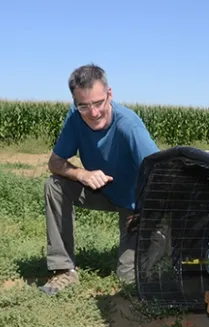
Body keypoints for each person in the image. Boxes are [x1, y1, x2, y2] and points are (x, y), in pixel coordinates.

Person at [39, 64, 160, 295]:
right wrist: (82, 174)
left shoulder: (129, 126)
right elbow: (54, 162)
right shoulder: (76, 118)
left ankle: (158, 241)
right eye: (83, 105)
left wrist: (145, 210)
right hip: (102, 190)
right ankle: (64, 270)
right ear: (75, 102)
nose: (93, 113)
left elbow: (159, 173)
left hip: (135, 204)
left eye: (98, 103)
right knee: (54, 185)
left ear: (110, 95)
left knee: (128, 278)